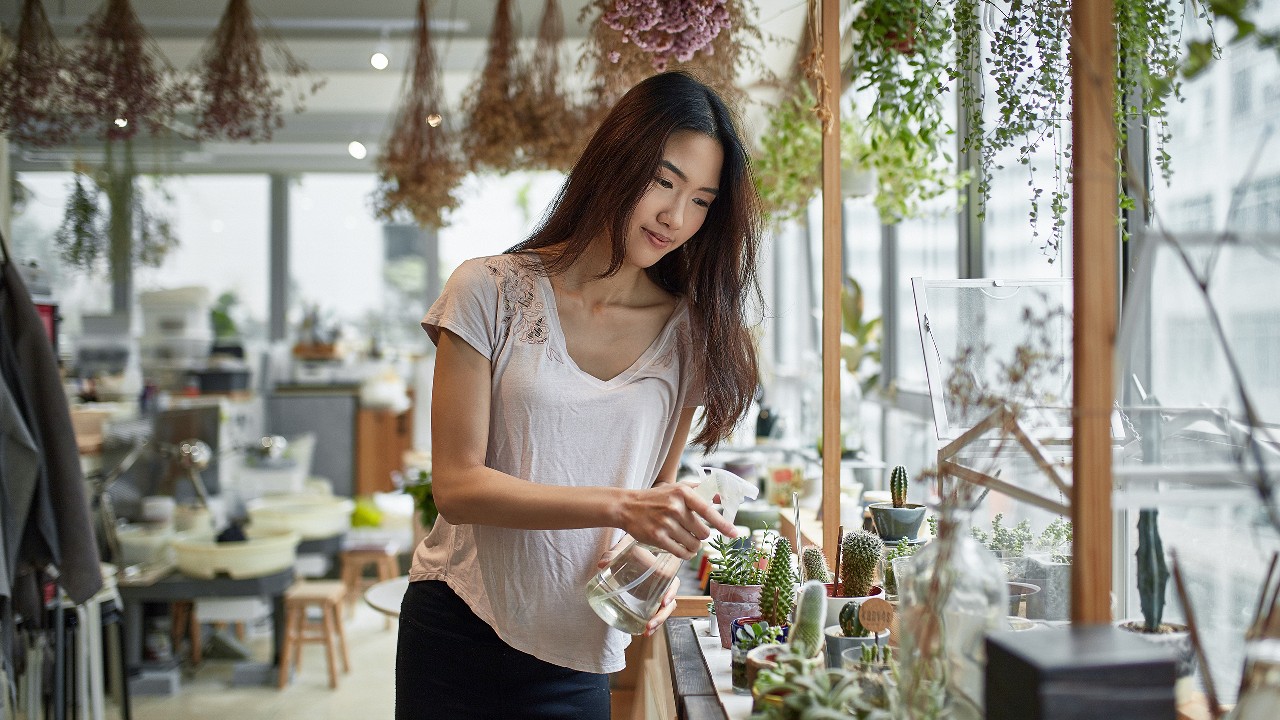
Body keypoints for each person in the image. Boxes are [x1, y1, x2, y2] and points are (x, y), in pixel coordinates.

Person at [395, 70, 762, 719]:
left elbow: (656, 501)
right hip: (459, 627)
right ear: (617, 162)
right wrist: (627, 508)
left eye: (702, 200)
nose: (676, 217)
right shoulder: (489, 290)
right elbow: (456, 486)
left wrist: (651, 570)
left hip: (580, 648)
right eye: (664, 182)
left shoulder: (691, 337)